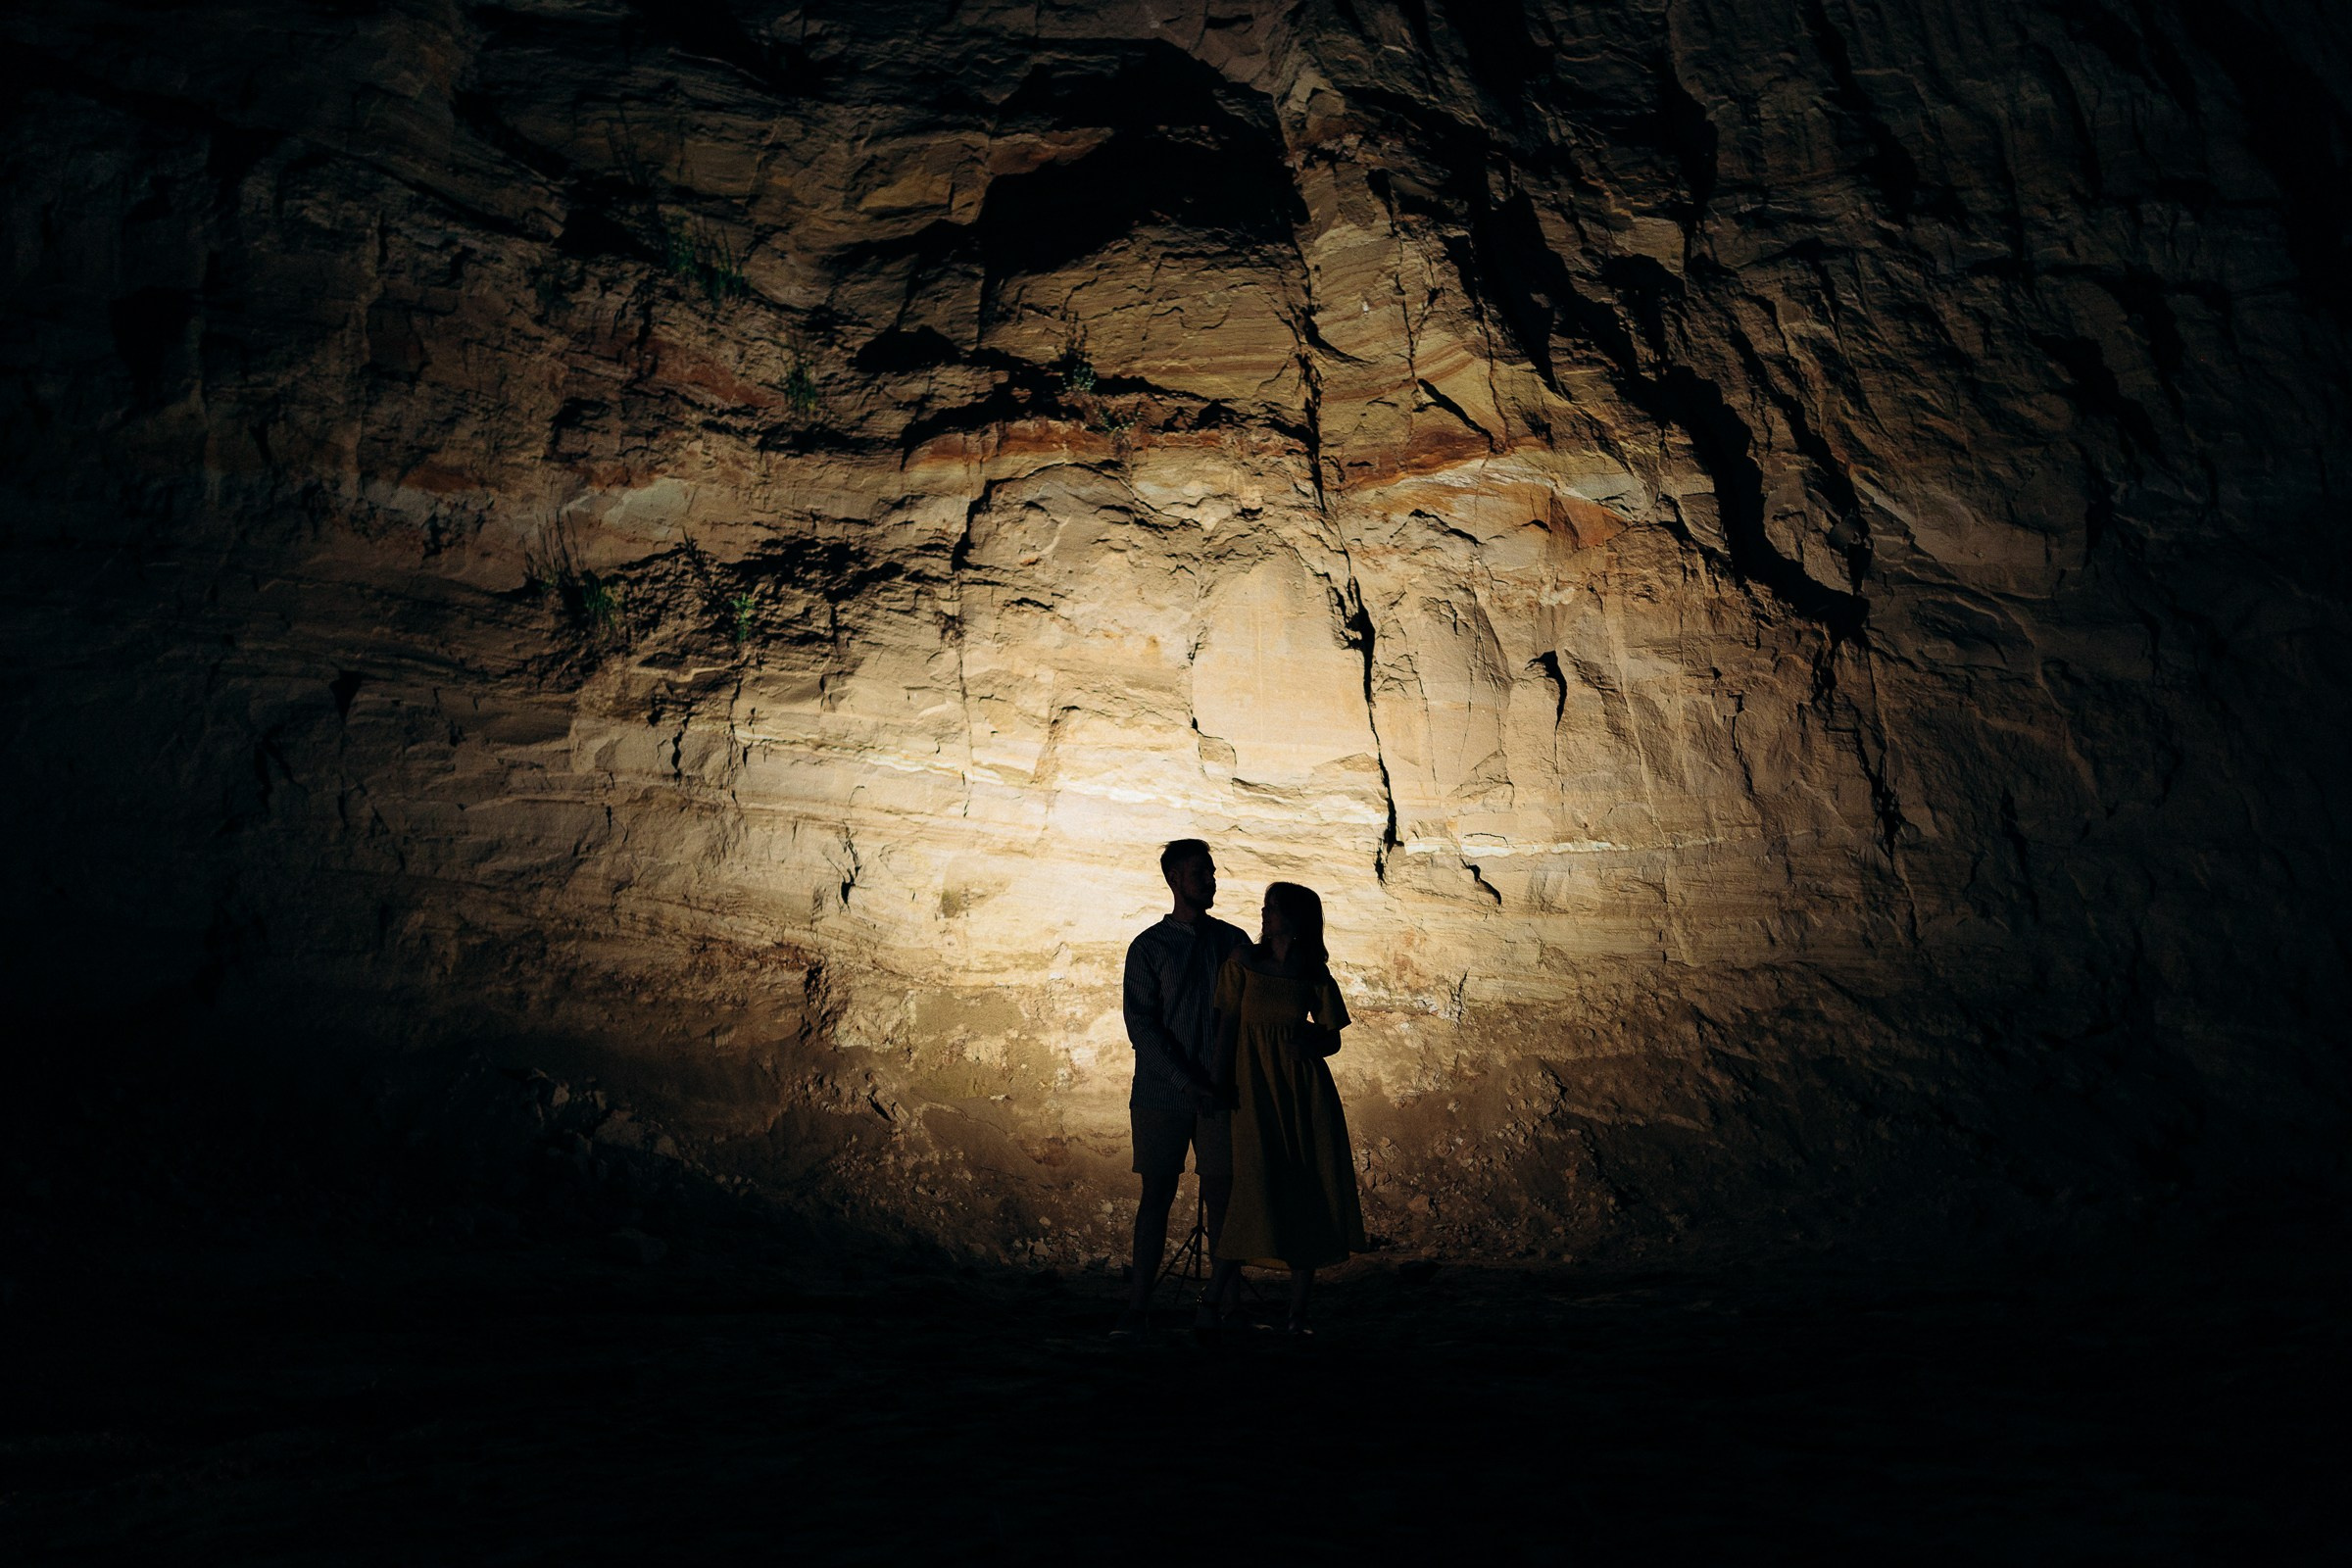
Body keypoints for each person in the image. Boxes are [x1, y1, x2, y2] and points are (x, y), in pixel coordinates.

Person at [1203, 880, 1366, 1335]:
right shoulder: (1242, 961)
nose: (1264, 914)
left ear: (1295, 920)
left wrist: (1309, 1045)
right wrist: (1218, 1084)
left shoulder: (1312, 971)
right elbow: (1227, 1025)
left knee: (1303, 1189)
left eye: (1273, 908)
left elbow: (1332, 1036)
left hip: (1301, 1092)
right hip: (1251, 1089)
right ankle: (1211, 1303)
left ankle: (1297, 1313)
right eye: (1265, 906)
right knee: (1251, 1188)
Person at [1112, 838, 1249, 1337]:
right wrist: (1185, 1081)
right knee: (1156, 1197)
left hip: (1218, 1094)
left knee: (1224, 1199)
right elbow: (1142, 1026)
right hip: (1163, 1095)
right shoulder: (1148, 948)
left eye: (1211, 872)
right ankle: (1139, 1307)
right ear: (1174, 879)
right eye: (1200, 873)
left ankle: (1227, 1307)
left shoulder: (1231, 940)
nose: (1211, 881)